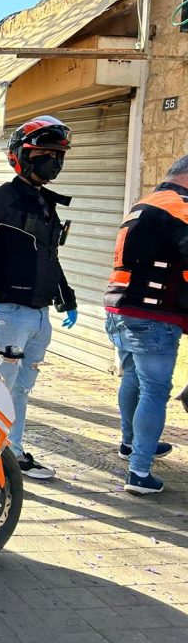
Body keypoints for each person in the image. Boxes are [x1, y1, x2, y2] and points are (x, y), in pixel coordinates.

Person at [0, 116, 77, 482]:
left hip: (39, 316)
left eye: (58, 154)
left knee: (21, 389)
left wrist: (66, 297)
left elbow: (48, 256)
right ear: (20, 156)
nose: (52, 161)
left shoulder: (45, 205)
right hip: (5, 312)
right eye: (44, 153)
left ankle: (12, 452)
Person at [102, 155, 188, 495]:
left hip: (118, 309)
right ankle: (139, 473)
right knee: (155, 390)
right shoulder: (179, 205)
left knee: (134, 379)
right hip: (152, 314)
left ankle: (132, 443)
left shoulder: (144, 203)